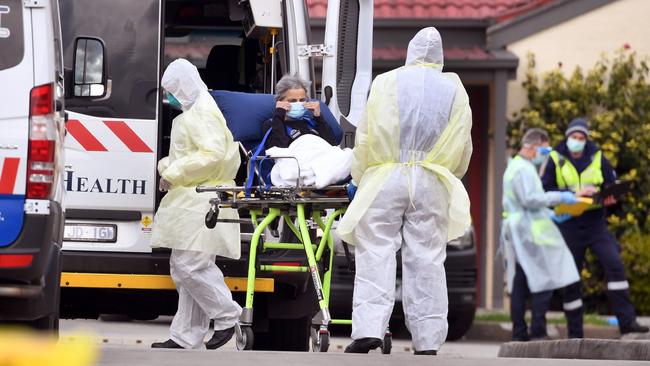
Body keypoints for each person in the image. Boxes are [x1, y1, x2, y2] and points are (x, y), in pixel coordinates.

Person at [336, 27, 473, 355]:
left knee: (375, 251)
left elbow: (366, 137)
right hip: (431, 178)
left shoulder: (385, 82)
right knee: (427, 259)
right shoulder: (455, 89)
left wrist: (358, 177)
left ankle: (368, 330)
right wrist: (446, 175)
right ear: (440, 57)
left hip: (386, 177)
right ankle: (428, 341)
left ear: (409, 52)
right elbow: (462, 145)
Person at [150, 59, 243, 349]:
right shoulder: (192, 112)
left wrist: (173, 172)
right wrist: (169, 168)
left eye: (172, 91)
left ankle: (228, 316)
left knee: (190, 265)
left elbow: (212, 154)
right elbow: (187, 154)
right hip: (194, 197)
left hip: (205, 197)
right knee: (184, 267)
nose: (170, 98)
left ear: (184, 86)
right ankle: (185, 335)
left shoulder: (203, 111)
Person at [542, 118, 649, 337]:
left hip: (595, 222)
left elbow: (611, 184)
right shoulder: (555, 158)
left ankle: (627, 323)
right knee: (571, 278)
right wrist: (573, 196)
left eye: (582, 138)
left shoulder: (598, 156)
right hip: (568, 223)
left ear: (586, 139)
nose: (578, 141)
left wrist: (610, 197)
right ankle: (575, 333)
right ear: (567, 137)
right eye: (574, 137)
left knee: (614, 264)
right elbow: (544, 193)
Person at [501, 128, 581, 342]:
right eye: (544, 150)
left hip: (524, 228)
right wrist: (560, 197)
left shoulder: (517, 167)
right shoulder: (522, 169)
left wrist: (550, 213)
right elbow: (530, 199)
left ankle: (521, 331)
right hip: (528, 231)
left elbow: (526, 201)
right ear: (534, 147)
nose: (544, 155)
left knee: (522, 279)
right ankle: (536, 330)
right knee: (541, 278)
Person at [262, 75, 336, 149]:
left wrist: (319, 117)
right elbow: (279, 151)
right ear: (279, 101)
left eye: (302, 100)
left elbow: (332, 144)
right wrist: (279, 115)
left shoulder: (310, 122)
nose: (298, 103)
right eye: (292, 101)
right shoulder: (271, 125)